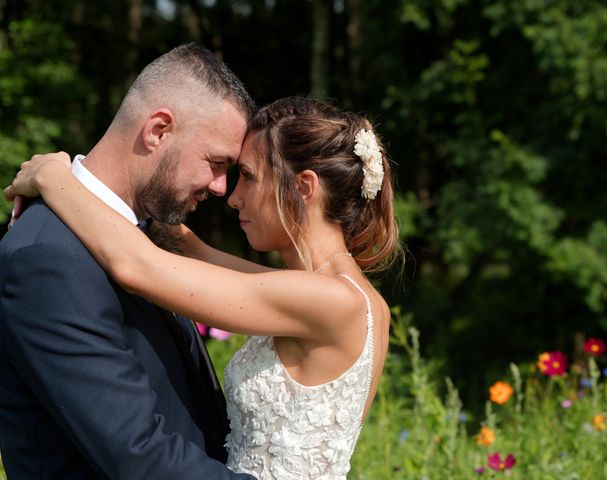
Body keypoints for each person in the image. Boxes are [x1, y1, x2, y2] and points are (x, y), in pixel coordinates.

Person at [5, 96, 400, 479]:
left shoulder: (330, 301)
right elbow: (189, 247)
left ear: (303, 187)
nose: (233, 197)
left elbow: (137, 266)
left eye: (247, 176)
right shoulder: (344, 295)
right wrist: (117, 182)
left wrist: (53, 176)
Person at [0, 43, 257, 479]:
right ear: (157, 130)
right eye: (216, 163)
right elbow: (139, 457)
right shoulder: (46, 257)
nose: (220, 187)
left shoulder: (150, 234)